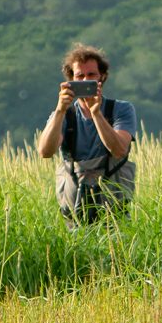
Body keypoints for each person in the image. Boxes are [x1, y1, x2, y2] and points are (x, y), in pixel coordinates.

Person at [36, 44, 137, 228]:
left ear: (102, 77)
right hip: (74, 218)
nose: (84, 80)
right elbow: (45, 151)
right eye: (79, 76)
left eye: (91, 75)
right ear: (70, 80)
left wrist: (96, 113)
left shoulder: (121, 109)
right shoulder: (64, 115)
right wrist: (60, 110)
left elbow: (119, 149)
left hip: (114, 217)